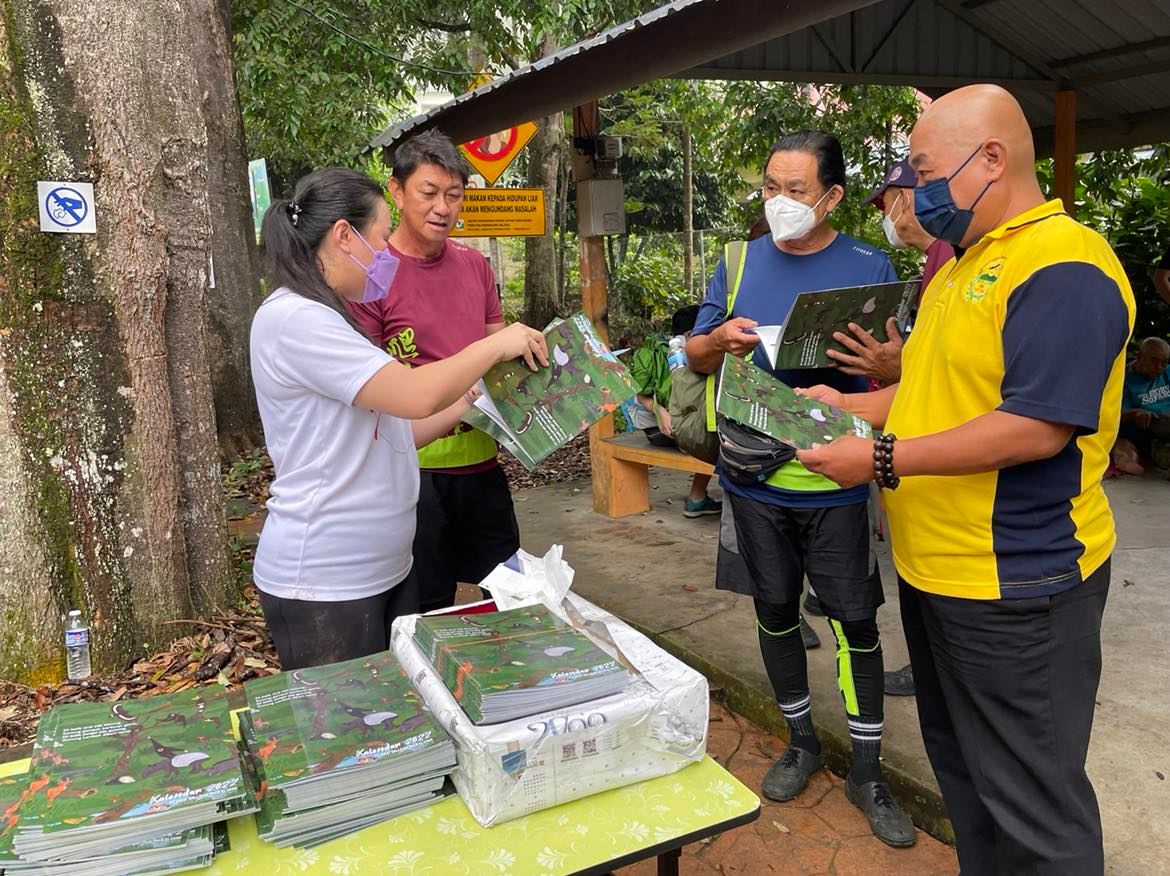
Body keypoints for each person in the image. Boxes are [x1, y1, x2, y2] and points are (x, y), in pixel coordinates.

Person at [798, 84, 1134, 875]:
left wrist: (877, 461)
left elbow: (1036, 425)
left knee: (1035, 810)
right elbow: (930, 392)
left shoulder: (1064, 266)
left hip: (1020, 582)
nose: (913, 190)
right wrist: (849, 403)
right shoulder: (960, 267)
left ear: (992, 158)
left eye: (923, 168)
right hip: (939, 575)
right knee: (972, 785)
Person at [686, 130, 916, 847]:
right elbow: (691, 355)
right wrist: (718, 340)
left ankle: (868, 771)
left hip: (835, 478)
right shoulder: (739, 260)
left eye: (795, 191)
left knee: (855, 622)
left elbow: (894, 379)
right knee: (776, 609)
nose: (779, 202)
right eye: (770, 188)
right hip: (754, 478)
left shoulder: (868, 264)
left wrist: (888, 363)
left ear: (832, 197)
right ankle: (800, 741)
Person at [251, 167, 547, 670]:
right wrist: (496, 344)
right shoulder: (296, 319)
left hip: (382, 570)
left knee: (395, 726)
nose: (388, 253)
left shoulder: (328, 314)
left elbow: (394, 431)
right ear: (345, 236)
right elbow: (413, 395)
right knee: (348, 738)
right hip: (327, 581)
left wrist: (475, 400)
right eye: (383, 237)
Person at [350, 130, 521, 614]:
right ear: (397, 192)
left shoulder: (475, 266)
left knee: (511, 596)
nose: (443, 207)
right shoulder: (370, 275)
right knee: (425, 608)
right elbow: (371, 390)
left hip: (483, 467)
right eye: (428, 192)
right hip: (412, 473)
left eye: (454, 194)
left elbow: (499, 356)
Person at [629, 304, 721, 517]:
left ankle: (697, 498)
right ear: (691, 334)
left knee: (706, 426)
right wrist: (660, 411)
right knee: (712, 434)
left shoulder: (656, 349)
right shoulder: (688, 355)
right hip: (666, 431)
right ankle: (697, 498)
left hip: (653, 432)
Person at [1112, 336, 1170, 473]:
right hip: (1148, 428)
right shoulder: (1122, 379)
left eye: (1164, 362)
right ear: (1139, 356)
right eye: (1154, 360)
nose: (1159, 367)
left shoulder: (1168, 372)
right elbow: (1114, 415)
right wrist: (1135, 413)